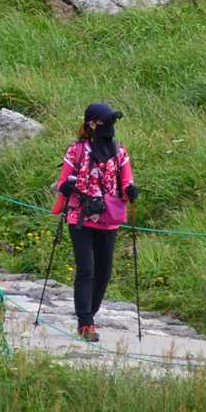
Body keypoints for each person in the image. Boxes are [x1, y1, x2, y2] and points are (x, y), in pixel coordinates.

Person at [52, 101, 138, 342]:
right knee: (86, 270)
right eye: (105, 122)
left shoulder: (120, 152)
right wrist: (66, 186)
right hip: (80, 217)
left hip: (109, 219)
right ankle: (85, 322)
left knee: (104, 272)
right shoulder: (76, 150)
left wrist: (131, 191)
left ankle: (90, 312)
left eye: (112, 123)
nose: (110, 127)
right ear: (91, 124)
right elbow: (62, 181)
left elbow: (127, 181)